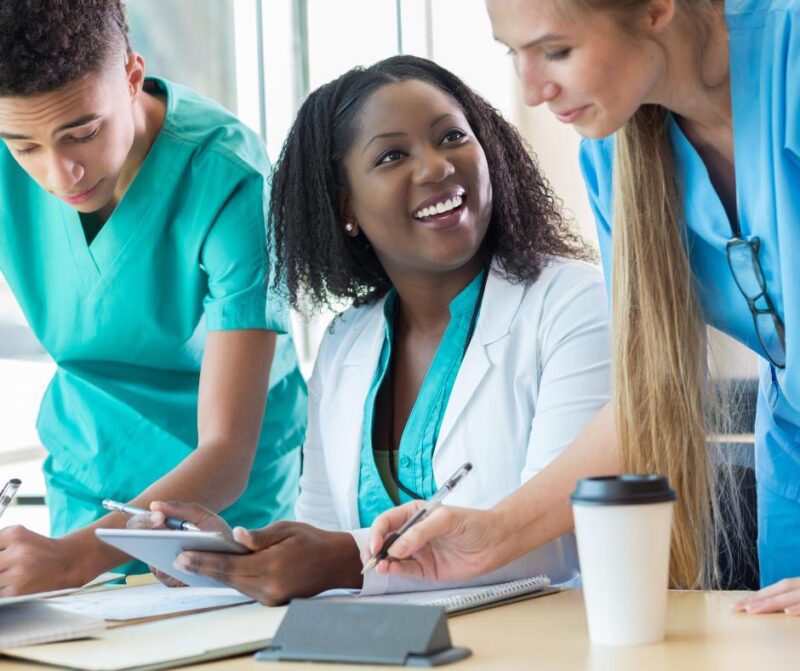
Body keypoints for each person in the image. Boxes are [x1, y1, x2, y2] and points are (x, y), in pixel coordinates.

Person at [130, 55, 612, 605]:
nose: (436, 167)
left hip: (542, 637)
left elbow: (564, 531)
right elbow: (321, 537)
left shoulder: (572, 302)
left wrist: (343, 559)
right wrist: (240, 556)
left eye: (452, 137)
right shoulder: (345, 342)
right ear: (346, 208)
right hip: (378, 642)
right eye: (392, 156)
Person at [368, 0, 800, 612]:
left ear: (655, 9)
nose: (533, 90)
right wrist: (493, 537)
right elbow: (649, 389)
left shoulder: (791, 58)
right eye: (514, 54)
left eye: (557, 51)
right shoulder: (614, 156)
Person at [0, 0, 306, 595]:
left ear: (132, 76)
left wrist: (74, 559)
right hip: (90, 470)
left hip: (217, 496)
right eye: (23, 147)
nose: (60, 174)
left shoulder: (230, 178)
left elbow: (226, 450)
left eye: (83, 133)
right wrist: (70, 555)